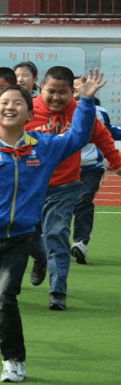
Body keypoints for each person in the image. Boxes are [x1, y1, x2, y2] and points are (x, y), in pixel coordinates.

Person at [0, 74, 102, 383]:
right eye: (4, 103)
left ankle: (13, 361)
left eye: (17, 103)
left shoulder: (44, 147)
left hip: (18, 240)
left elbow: (78, 137)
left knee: (4, 299)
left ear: (29, 113)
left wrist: (87, 101)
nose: (10, 107)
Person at [24, 66, 121, 310]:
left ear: (72, 93)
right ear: (41, 88)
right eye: (51, 91)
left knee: (57, 234)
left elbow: (103, 137)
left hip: (65, 187)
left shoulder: (82, 112)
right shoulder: (27, 111)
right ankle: (40, 259)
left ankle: (58, 291)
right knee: (28, 235)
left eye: (63, 92)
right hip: (29, 188)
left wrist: (117, 164)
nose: (56, 97)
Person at [70, 80, 121, 264]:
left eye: (81, 86)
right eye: (74, 86)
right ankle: (51, 244)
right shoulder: (60, 112)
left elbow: (108, 134)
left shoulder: (99, 112)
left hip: (91, 167)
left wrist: (116, 161)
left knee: (84, 200)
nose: (78, 89)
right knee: (59, 205)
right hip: (63, 168)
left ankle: (81, 243)